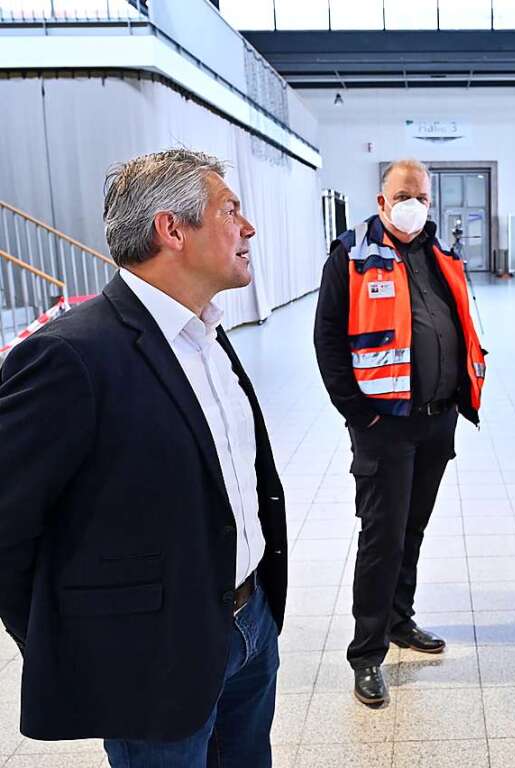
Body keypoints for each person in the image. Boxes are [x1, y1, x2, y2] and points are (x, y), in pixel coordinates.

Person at [0, 149, 287, 767]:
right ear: (172, 229)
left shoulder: (207, 338)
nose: (248, 227)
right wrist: (90, 639)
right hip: (151, 657)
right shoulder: (70, 356)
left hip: (250, 625)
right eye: (230, 210)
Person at [314, 159, 486, 707]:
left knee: (412, 528)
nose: (415, 204)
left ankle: (399, 620)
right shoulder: (350, 257)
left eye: (423, 197)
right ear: (382, 200)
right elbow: (328, 345)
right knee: (381, 537)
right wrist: (357, 414)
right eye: (403, 194)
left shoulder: (441, 255)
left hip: (436, 419)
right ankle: (366, 654)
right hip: (383, 426)